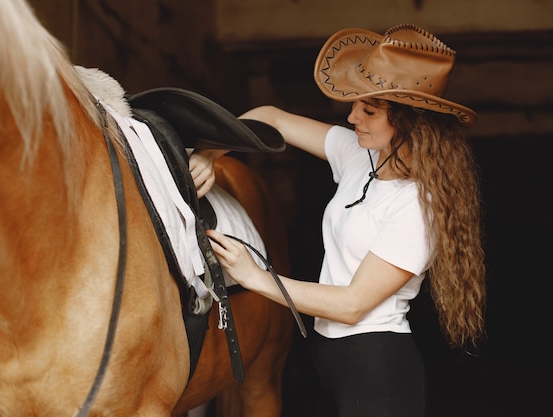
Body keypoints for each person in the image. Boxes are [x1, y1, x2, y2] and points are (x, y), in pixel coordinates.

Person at [197, 24, 486, 417]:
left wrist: (255, 277)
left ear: (409, 121)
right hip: (338, 357)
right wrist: (214, 152)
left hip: (376, 362)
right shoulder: (362, 158)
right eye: (356, 105)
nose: (353, 117)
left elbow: (352, 305)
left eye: (368, 110)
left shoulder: (417, 205)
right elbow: (272, 119)